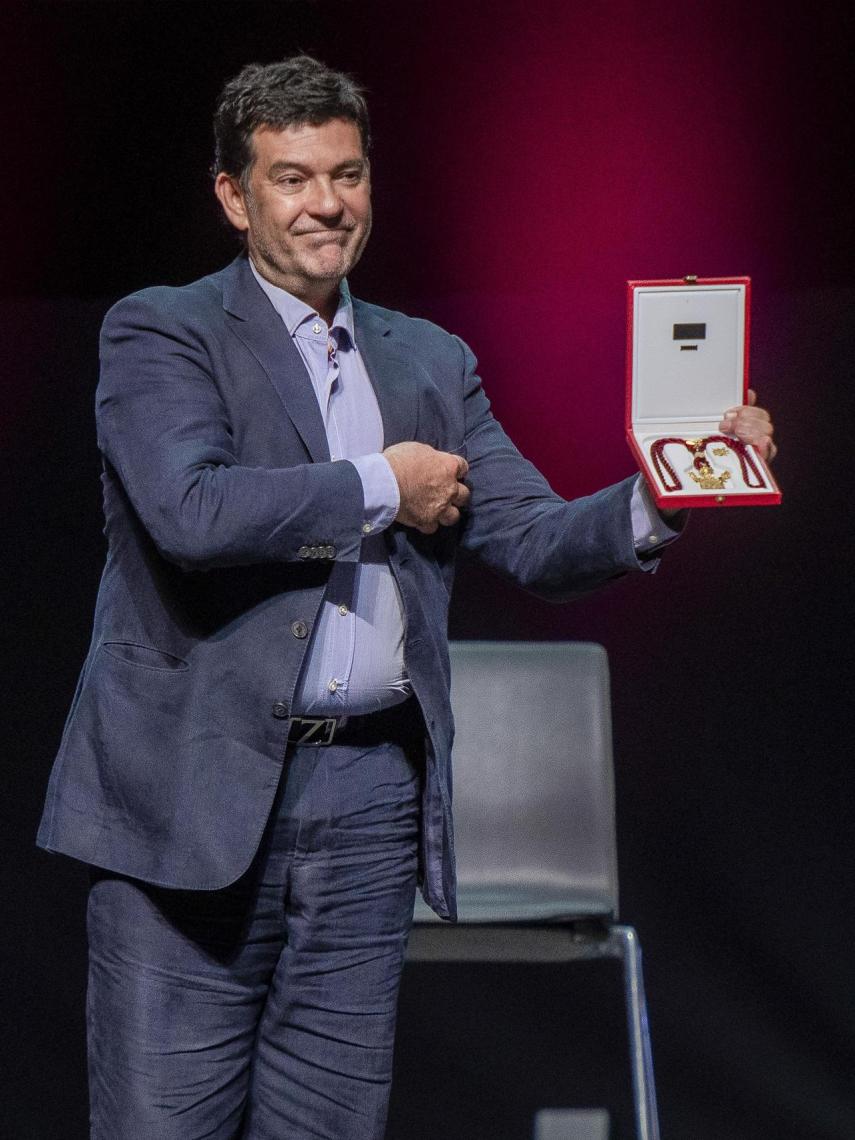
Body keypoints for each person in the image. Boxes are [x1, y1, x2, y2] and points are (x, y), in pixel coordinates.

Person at [37, 55, 776, 1140]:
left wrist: (672, 486)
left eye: (345, 173)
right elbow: (191, 513)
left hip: (367, 802)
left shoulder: (427, 356)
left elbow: (530, 536)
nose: (326, 203)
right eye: (291, 178)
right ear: (235, 196)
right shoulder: (164, 331)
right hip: (191, 799)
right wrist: (388, 483)